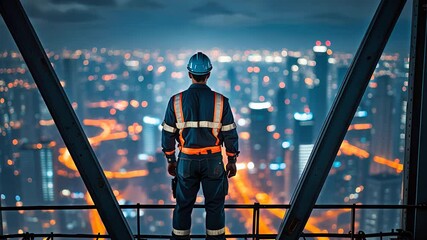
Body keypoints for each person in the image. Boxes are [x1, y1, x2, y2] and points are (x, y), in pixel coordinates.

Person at [161, 52, 239, 240]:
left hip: (186, 160)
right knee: (214, 206)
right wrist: (232, 160)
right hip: (213, 160)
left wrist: (171, 160)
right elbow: (229, 134)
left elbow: (167, 134)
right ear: (208, 74)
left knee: (183, 206)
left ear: (189, 74)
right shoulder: (221, 101)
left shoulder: (176, 101)